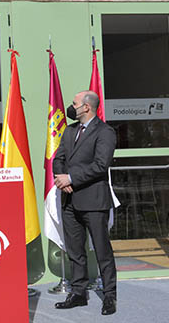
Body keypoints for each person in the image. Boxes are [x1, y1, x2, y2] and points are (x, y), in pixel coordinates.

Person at [52, 91, 118, 316]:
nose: (72, 107)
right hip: (69, 200)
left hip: (93, 201)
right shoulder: (70, 131)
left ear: (86, 107)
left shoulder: (105, 132)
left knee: (102, 251)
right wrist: (62, 179)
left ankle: (109, 296)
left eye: (74, 104)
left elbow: (101, 165)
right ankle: (78, 293)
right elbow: (58, 158)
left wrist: (71, 178)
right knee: (75, 251)